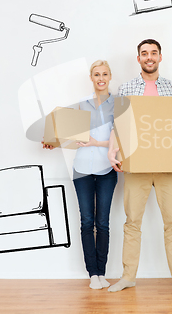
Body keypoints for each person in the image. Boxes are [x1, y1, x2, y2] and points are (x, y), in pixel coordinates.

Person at [107, 39, 172, 292]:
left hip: (168, 165)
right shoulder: (126, 88)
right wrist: (112, 150)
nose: (149, 57)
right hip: (136, 163)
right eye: (144, 53)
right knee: (132, 220)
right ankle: (128, 277)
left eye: (153, 53)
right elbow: (119, 123)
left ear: (160, 57)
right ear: (138, 59)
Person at [43, 60, 117, 290]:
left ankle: (102, 272)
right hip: (82, 170)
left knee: (102, 222)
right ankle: (92, 273)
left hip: (107, 170)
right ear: (91, 78)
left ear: (110, 76)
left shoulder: (119, 105)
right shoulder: (81, 105)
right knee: (86, 221)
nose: (101, 78)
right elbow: (69, 132)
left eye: (104, 74)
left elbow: (122, 138)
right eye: (96, 74)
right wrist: (53, 143)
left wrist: (98, 142)